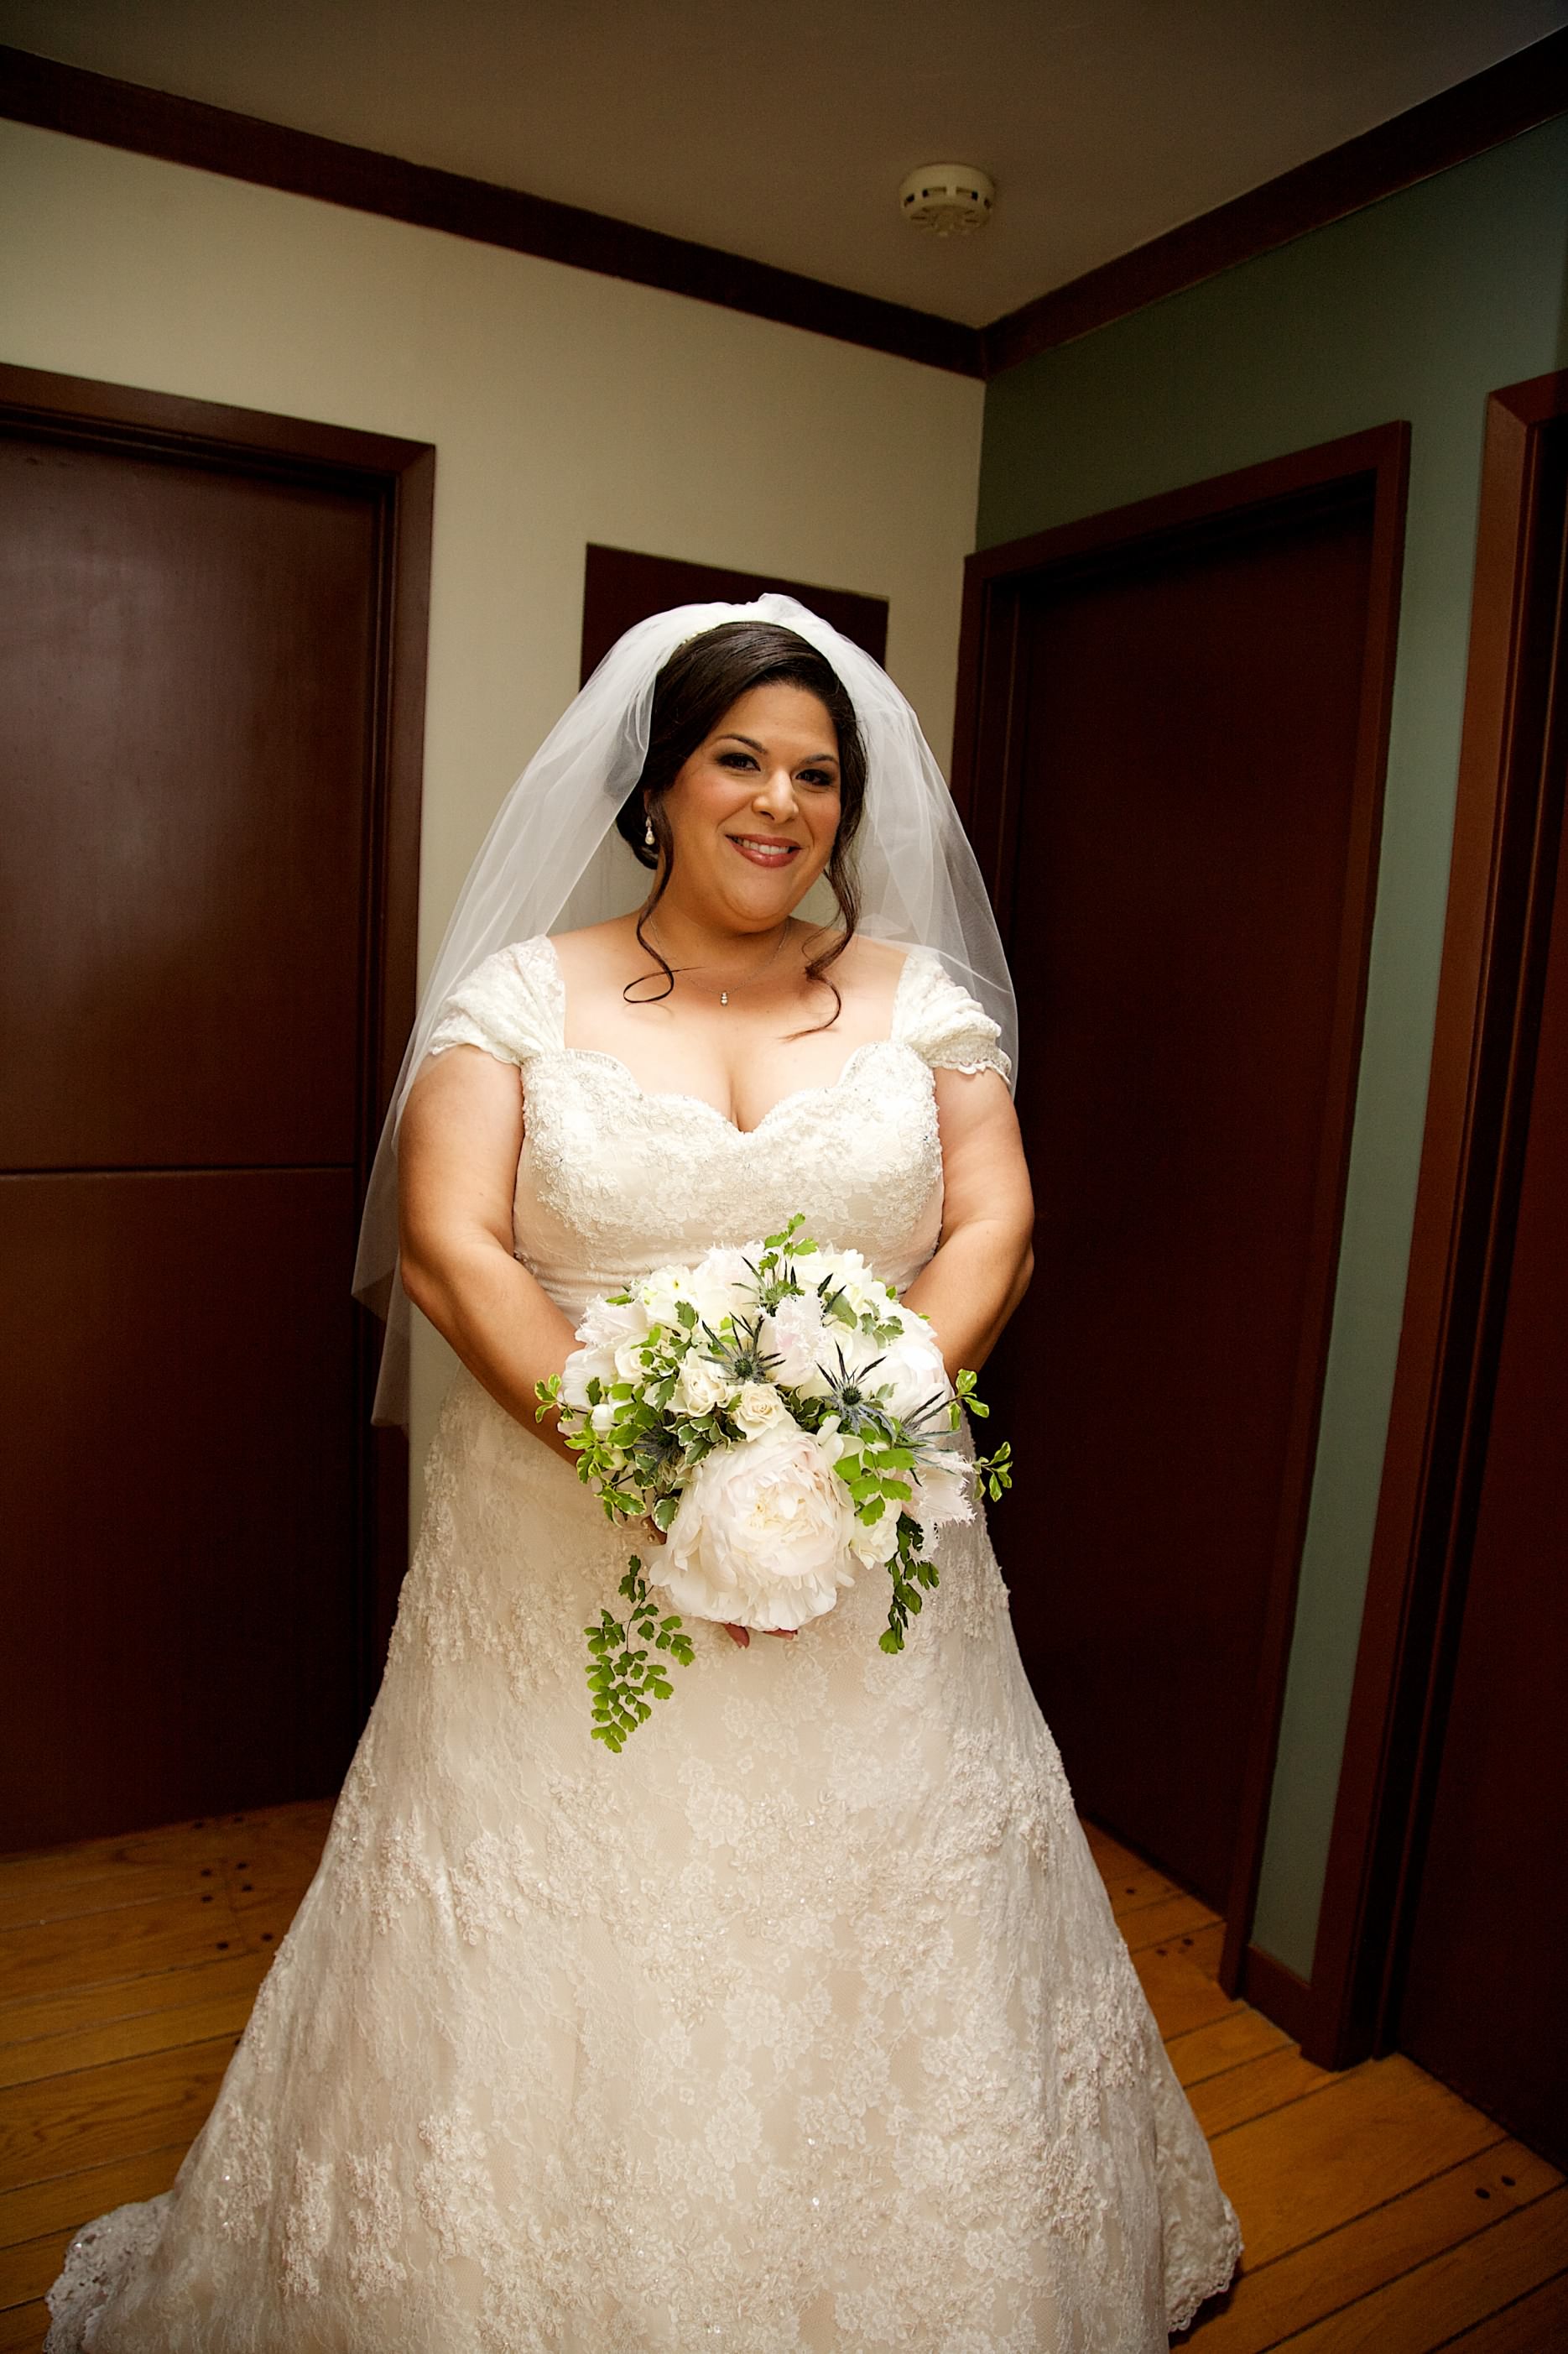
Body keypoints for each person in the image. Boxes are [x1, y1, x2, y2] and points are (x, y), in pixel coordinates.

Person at [47, 597, 1241, 2351]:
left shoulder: (922, 1002)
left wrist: (852, 1432)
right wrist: (654, 1464)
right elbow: (453, 1248)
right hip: (562, 1530)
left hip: (868, 1535)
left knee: (870, 1900)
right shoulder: (521, 997)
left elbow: (996, 1224)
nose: (780, 803)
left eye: (817, 775)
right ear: (661, 784)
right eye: (738, 760)